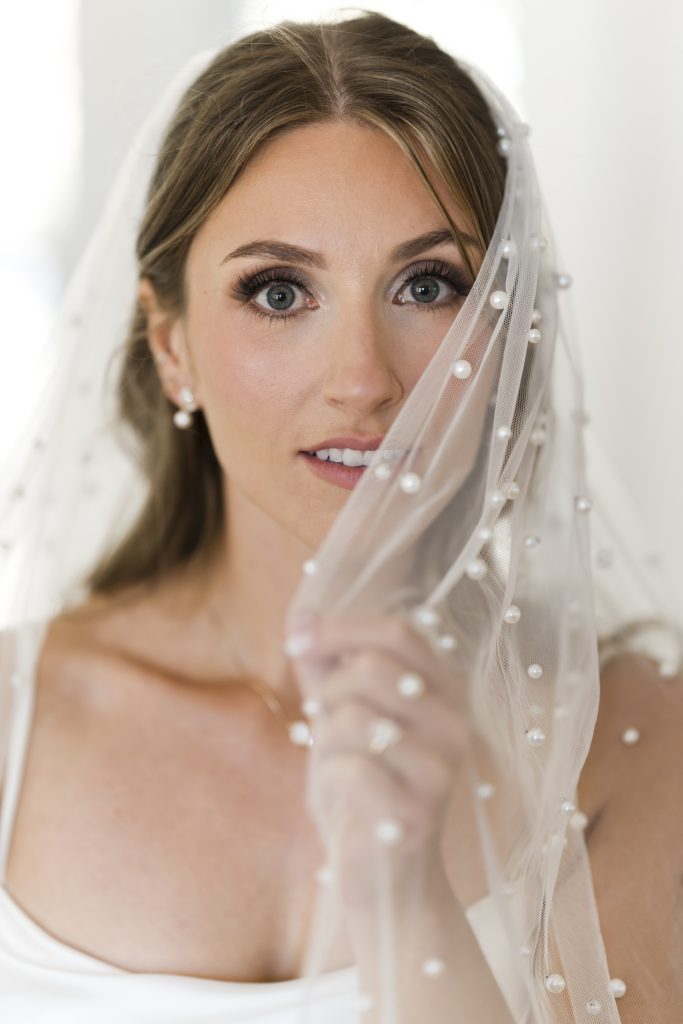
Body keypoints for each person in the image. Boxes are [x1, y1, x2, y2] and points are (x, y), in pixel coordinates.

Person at [0, 10, 681, 1023]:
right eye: (278, 292)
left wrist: (405, 900)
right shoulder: (14, 713)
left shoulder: (635, 738)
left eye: (426, 283)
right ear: (170, 342)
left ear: (509, 330)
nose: (362, 380)